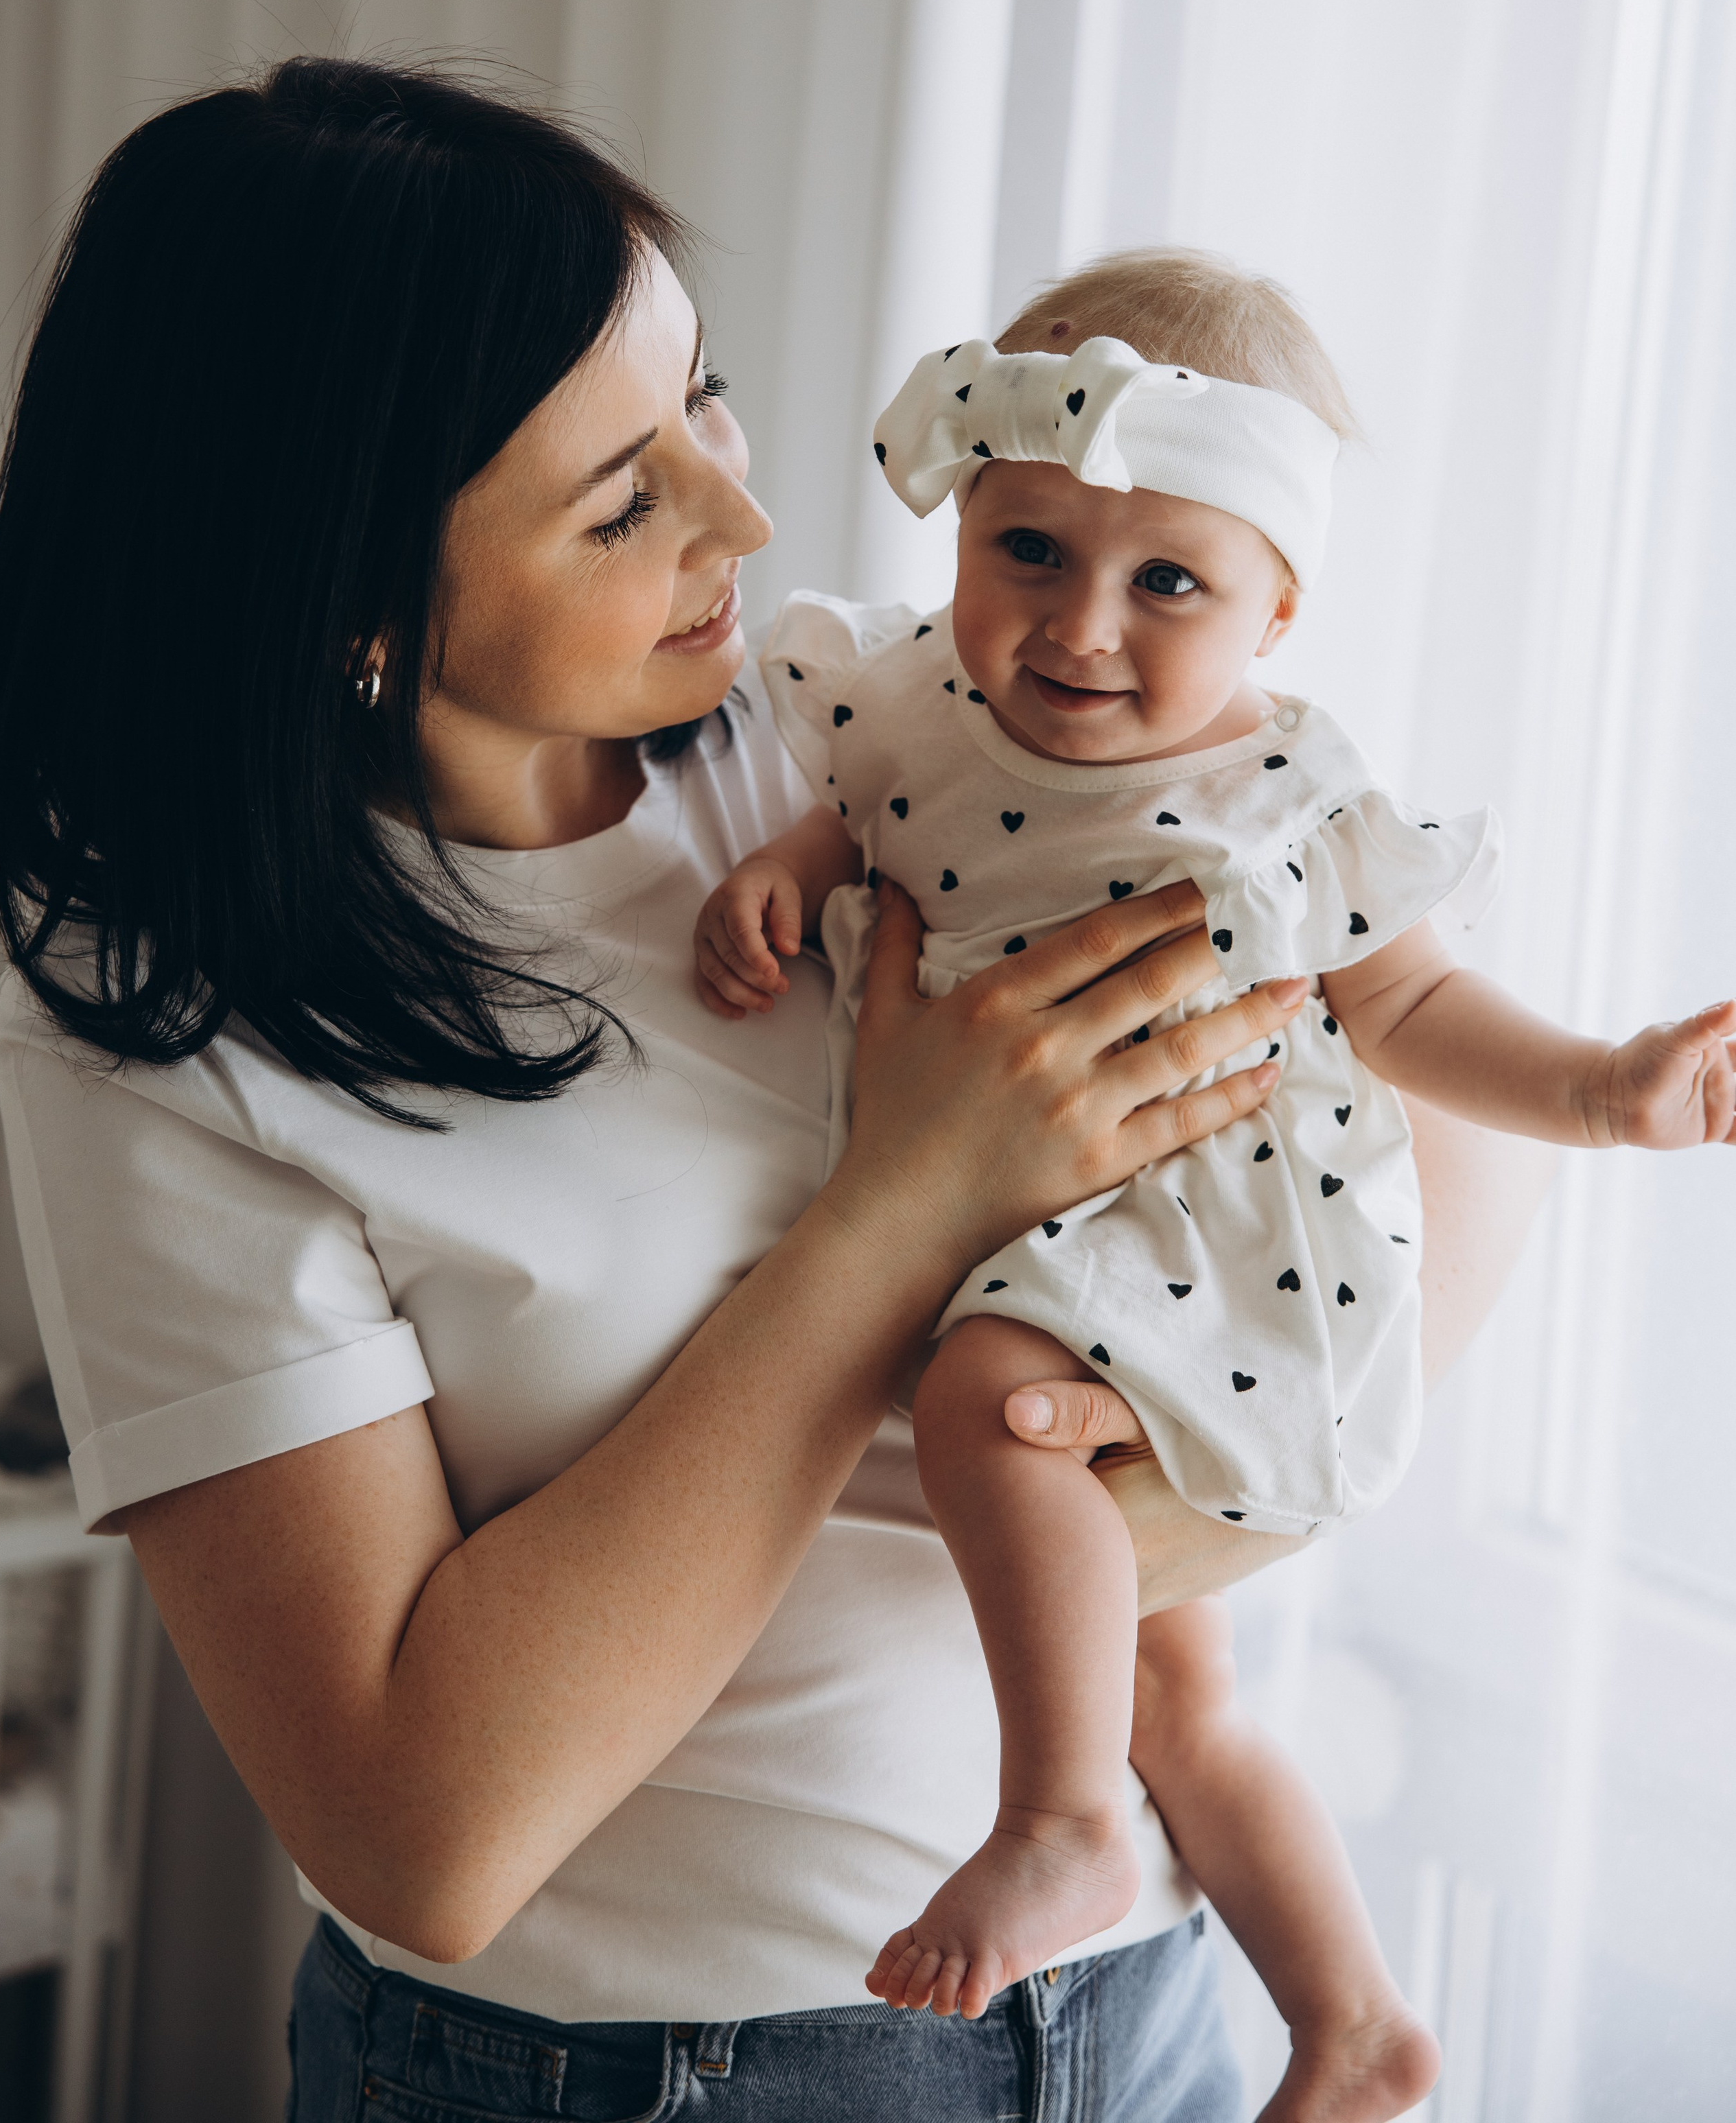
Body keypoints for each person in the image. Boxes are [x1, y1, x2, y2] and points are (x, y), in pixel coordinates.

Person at [0, 67, 1544, 2122]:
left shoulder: (862, 729)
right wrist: (905, 1215)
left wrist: (1112, 1502)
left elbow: (1422, 1091)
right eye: (622, 499)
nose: (747, 511)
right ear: (348, 603)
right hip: (659, 2071)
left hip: (1143, 1987)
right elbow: (426, 1837)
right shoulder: (170, 1021)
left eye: (702, 396)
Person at [692, 250, 1736, 2121]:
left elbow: (1411, 1002)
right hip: (1015, 1213)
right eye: (1027, 549)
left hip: (1191, 1247)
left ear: (1275, 607)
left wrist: (1603, 1087)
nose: (1080, 627)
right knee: (1187, 1693)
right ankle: (1353, 2020)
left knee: (983, 1423)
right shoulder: (917, 702)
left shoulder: (1281, 799)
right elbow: (862, 809)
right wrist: (780, 877)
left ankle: (1064, 1818)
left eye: (1164, 579)